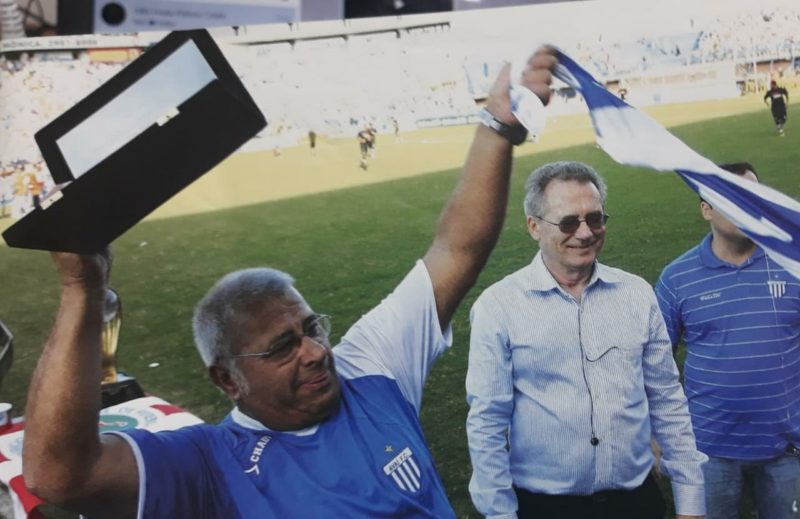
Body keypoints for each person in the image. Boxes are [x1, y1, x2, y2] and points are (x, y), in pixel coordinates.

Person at [21, 48, 558, 518]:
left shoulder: (369, 366)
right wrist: (81, 291)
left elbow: (455, 247)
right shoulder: (210, 465)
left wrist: (495, 125)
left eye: (310, 328)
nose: (314, 352)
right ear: (228, 380)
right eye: (281, 347)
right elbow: (58, 477)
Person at [466, 161, 707, 519]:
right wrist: (500, 513)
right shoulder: (499, 307)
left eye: (595, 219)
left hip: (636, 503)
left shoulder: (637, 294)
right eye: (568, 222)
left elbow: (667, 400)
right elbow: (486, 422)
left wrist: (690, 502)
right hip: (545, 507)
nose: (585, 233)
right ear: (534, 226)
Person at [655, 162, 800, 519]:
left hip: (787, 450)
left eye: (749, 197)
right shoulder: (678, 278)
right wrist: (656, 436)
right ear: (705, 208)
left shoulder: (792, 265)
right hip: (708, 450)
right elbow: (653, 362)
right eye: (728, 197)